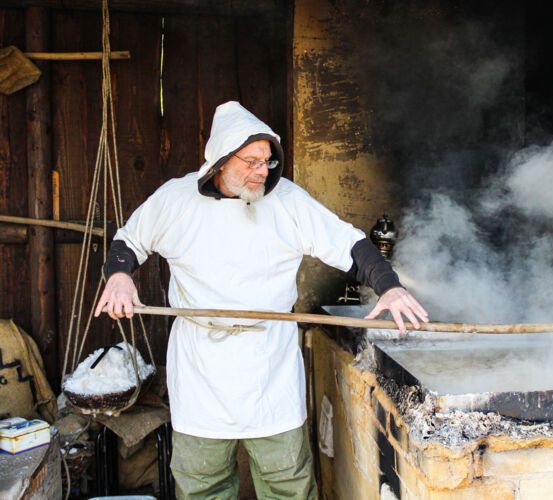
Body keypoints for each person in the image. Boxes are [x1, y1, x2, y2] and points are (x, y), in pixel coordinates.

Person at [93, 101, 428, 499]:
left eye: (267, 162)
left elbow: (349, 243)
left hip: (271, 361)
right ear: (219, 160)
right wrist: (118, 276)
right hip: (202, 365)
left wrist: (389, 285)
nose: (261, 172)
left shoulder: (286, 200)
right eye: (250, 161)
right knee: (202, 484)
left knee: (287, 483)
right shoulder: (175, 200)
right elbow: (128, 241)